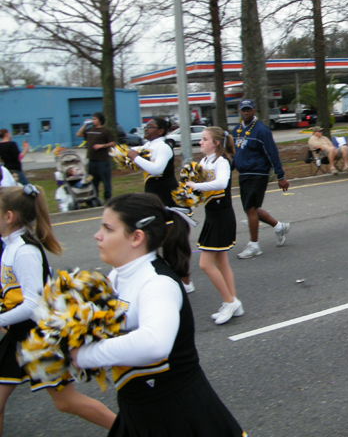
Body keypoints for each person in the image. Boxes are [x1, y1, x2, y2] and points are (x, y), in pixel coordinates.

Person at [71, 193, 245, 436]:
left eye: (108, 229)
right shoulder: (117, 276)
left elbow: (155, 343)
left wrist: (82, 356)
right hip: (140, 411)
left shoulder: (157, 283)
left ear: (136, 237)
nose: (97, 235)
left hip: (178, 416)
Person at [0, 185, 116, 434]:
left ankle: (129, 430)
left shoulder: (24, 250)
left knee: (66, 402)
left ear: (8, 216)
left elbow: (32, 304)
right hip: (18, 336)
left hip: (39, 338)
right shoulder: (10, 246)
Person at [126, 116, 194, 293]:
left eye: (150, 126)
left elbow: (157, 169)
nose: (146, 128)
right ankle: (159, 278)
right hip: (153, 197)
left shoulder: (163, 146)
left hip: (167, 198)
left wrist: (135, 157)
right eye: (146, 126)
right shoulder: (149, 145)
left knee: (173, 240)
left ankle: (185, 280)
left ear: (160, 131)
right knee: (152, 239)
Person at [185, 127, 243, 325]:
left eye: (204, 139)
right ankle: (234, 302)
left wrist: (196, 186)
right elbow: (199, 188)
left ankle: (229, 302)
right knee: (221, 262)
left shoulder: (222, 161)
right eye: (201, 139)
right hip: (212, 215)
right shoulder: (204, 162)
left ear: (216, 143)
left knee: (205, 264)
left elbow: (221, 183)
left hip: (221, 216)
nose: (200, 142)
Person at [233, 100, 291, 259]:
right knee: (251, 208)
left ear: (254, 110)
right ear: (239, 111)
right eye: (243, 110)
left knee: (251, 208)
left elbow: (272, 154)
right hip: (243, 174)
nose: (245, 112)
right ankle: (279, 227)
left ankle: (254, 246)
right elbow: (235, 154)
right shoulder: (237, 130)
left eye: (248, 110)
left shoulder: (261, 131)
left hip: (258, 173)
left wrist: (281, 176)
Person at [77, 112, 115, 202]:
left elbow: (112, 143)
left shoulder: (106, 131)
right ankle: (94, 199)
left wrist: (101, 146)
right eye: (93, 119)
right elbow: (79, 134)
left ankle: (107, 199)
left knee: (106, 181)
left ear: (100, 120)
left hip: (102, 160)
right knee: (92, 181)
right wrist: (84, 125)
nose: (93, 120)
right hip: (92, 160)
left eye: (95, 119)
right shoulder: (90, 129)